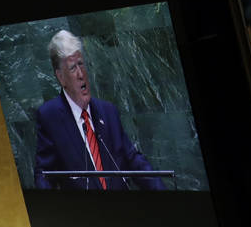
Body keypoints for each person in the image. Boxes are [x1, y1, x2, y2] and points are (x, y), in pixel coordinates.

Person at [33, 30, 164, 191]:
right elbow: (44, 175)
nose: (81, 74)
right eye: (73, 68)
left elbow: (132, 159)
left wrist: (161, 192)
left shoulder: (108, 111)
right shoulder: (50, 116)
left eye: (81, 64)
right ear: (61, 77)